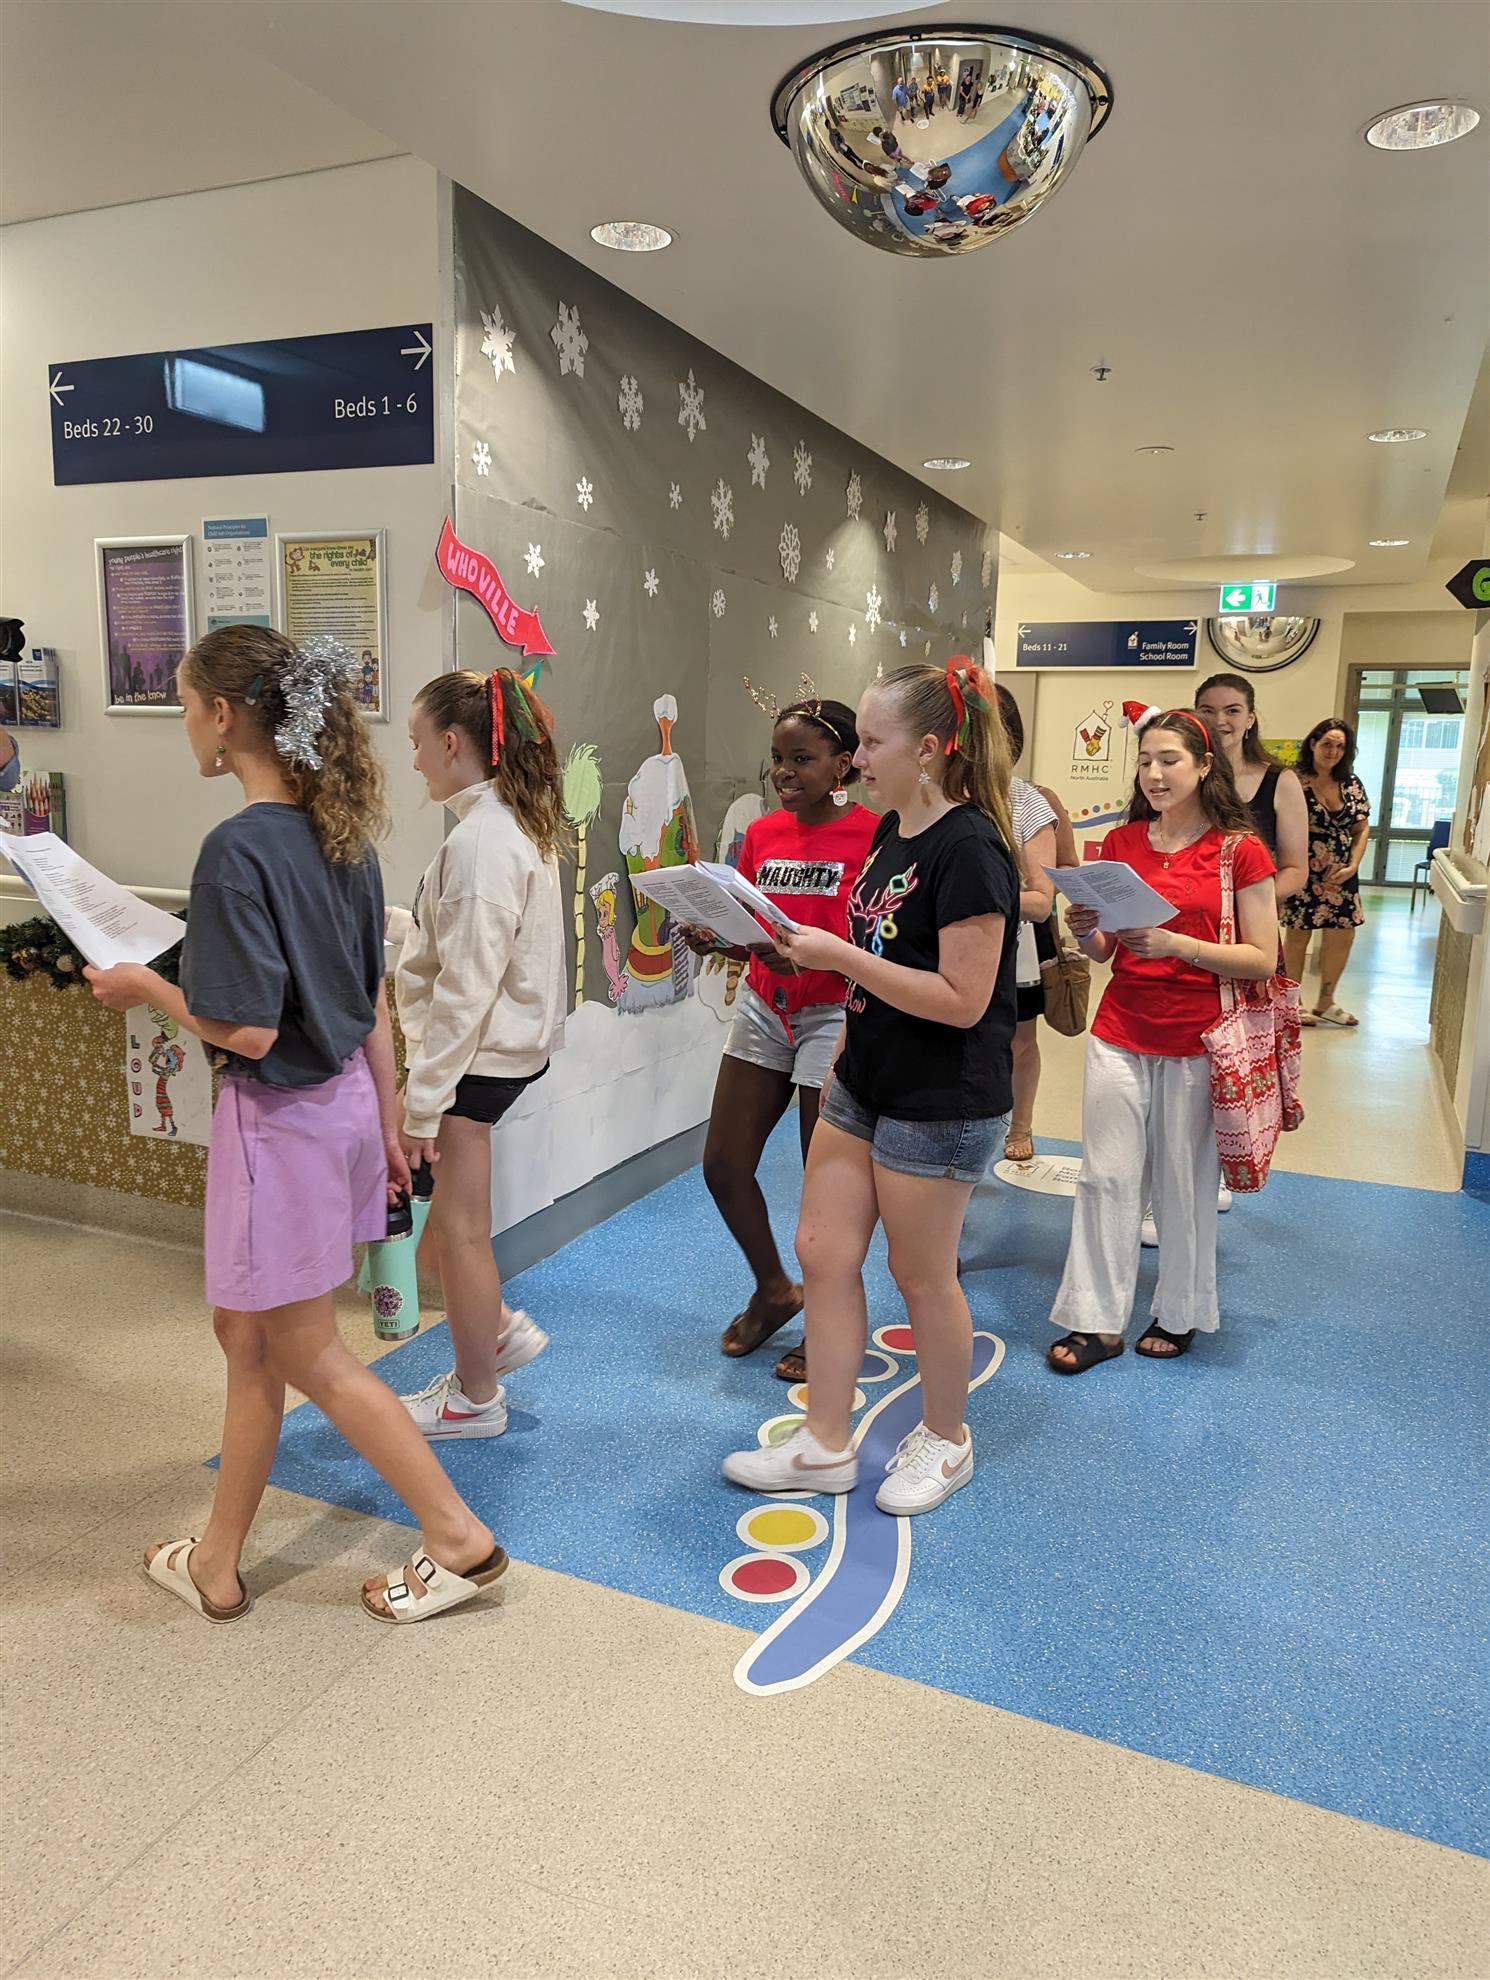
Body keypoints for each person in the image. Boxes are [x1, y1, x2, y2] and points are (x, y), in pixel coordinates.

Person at [85, 627, 505, 1625]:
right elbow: (369, 1002)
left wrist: (146, 986)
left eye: (187, 705)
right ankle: (217, 1560)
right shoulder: (344, 836)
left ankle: (458, 1537)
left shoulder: (236, 850)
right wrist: (391, 1120)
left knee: (308, 1350)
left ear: (225, 716)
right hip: (342, 1110)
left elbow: (248, 1029)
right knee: (247, 1333)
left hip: (278, 1127)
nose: (186, 724)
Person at [722, 660, 1019, 1516]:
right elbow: (881, 963)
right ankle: (823, 1443)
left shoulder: (970, 848)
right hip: (864, 1080)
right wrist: (848, 1044)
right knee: (822, 1250)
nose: (856, 759)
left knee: (921, 1275)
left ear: (927, 750)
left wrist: (839, 957)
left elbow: (964, 1000)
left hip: (942, 1098)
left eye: (872, 742)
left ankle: (947, 1438)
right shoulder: (892, 830)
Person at [1045, 710, 1278, 1374]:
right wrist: (1085, 928)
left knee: (1183, 1182)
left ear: (1204, 766)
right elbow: (1105, 950)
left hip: (1199, 1039)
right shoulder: (1121, 842)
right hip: (1120, 1028)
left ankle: (1179, 1311)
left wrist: (1178, 944)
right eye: (1145, 760)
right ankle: (1095, 1319)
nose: (1153, 773)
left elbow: (1263, 958)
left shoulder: (1239, 850)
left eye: (1169, 760)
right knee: (1105, 1176)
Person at [386, 668, 568, 1440]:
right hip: (496, 1054)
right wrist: (409, 927)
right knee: (447, 1236)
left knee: (457, 1234)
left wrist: (421, 1102)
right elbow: (474, 947)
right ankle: (493, 1331)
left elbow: (466, 988)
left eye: (417, 743)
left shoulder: (482, 840)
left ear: (453, 742)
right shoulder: (504, 824)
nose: (414, 760)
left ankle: (474, 1398)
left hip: (475, 1062)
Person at [684, 696, 875, 1384]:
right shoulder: (762, 834)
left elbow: (877, 940)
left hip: (836, 1014)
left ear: (843, 765)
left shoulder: (874, 835)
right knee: (723, 1164)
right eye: (777, 759)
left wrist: (815, 958)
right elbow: (759, 928)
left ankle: (829, 1320)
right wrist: (721, 938)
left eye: (802, 759)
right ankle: (774, 1289)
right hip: (767, 1006)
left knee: (824, 1188)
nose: (784, 772)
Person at [993, 684, 1059, 1164]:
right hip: (945, 942)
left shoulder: (1026, 801)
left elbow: (1041, 900)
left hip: (1016, 942)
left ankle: (1021, 1124)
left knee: (1019, 1040)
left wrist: (972, 899)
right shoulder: (932, 793)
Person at [1281, 718, 1370, 1028]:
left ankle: (1326, 1001)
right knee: (1298, 935)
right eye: (1327, 744)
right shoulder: (1293, 780)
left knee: (1343, 934)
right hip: (1302, 868)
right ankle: (1293, 1002)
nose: (1333, 751)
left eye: (1340, 746)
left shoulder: (1351, 783)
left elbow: (1361, 828)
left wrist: (1354, 864)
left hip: (1341, 872)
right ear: (1313, 744)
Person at [1195, 674, 1309, 899]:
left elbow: (1295, 870)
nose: (1219, 720)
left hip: (1252, 916)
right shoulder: (1180, 777)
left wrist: (1245, 906)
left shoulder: (1281, 781)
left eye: (1232, 711)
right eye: (1207, 711)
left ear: (1250, 719)